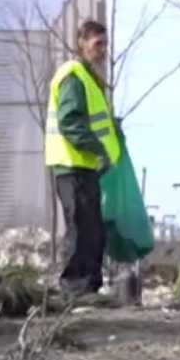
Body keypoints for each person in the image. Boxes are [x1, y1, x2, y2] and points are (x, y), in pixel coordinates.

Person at [45, 19, 122, 296]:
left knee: (93, 230)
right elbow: (70, 122)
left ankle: (89, 287)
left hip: (85, 167)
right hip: (71, 166)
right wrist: (98, 149)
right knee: (80, 229)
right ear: (82, 44)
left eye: (105, 44)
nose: (103, 50)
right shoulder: (74, 75)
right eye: (97, 44)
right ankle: (74, 288)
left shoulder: (89, 79)